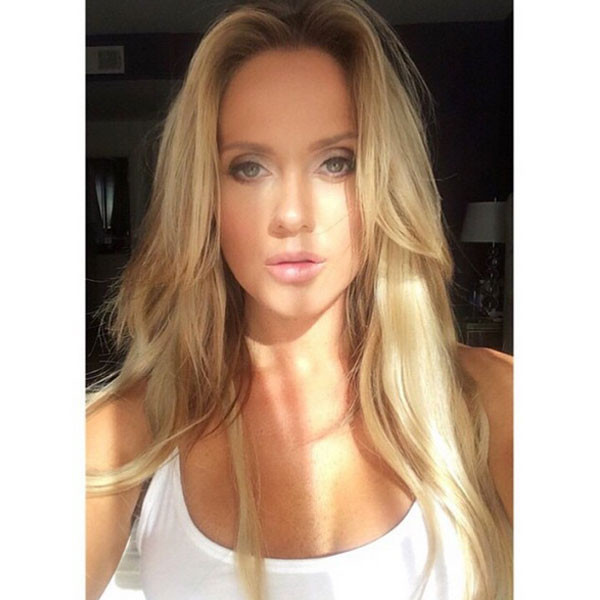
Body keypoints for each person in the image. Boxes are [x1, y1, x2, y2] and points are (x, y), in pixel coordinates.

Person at [86, 1, 513, 599]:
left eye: (336, 163)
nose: (291, 215)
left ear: (384, 182)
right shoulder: (129, 428)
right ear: (205, 197)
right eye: (249, 167)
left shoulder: (491, 401)